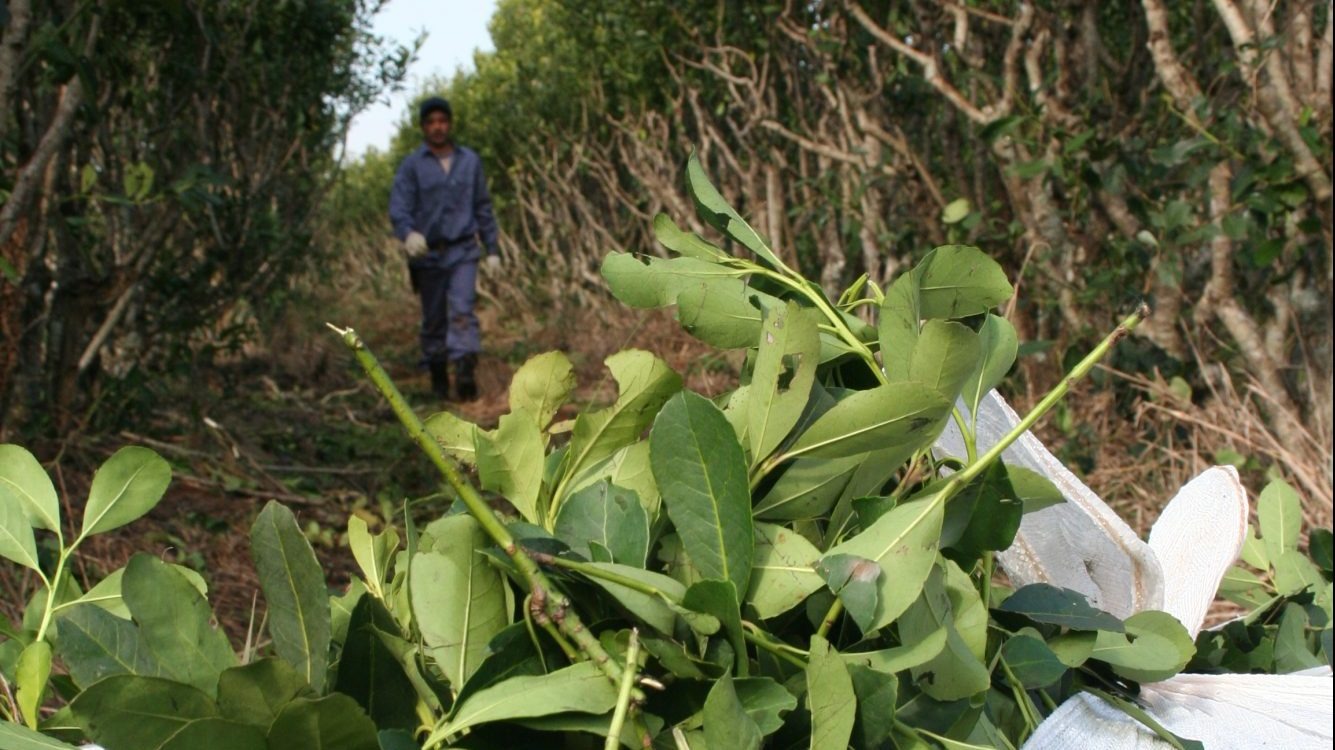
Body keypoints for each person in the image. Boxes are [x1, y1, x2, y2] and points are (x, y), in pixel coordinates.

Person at [389, 96, 501, 401]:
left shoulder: (469, 161)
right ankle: (438, 375)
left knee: (463, 311)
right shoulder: (412, 166)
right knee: (434, 318)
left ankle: (465, 373)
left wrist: (492, 248)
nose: (438, 127)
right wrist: (408, 234)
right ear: (424, 127)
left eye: (442, 121)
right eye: (431, 122)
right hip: (427, 253)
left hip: (463, 249)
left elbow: (482, 206)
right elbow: (399, 207)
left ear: (449, 124)